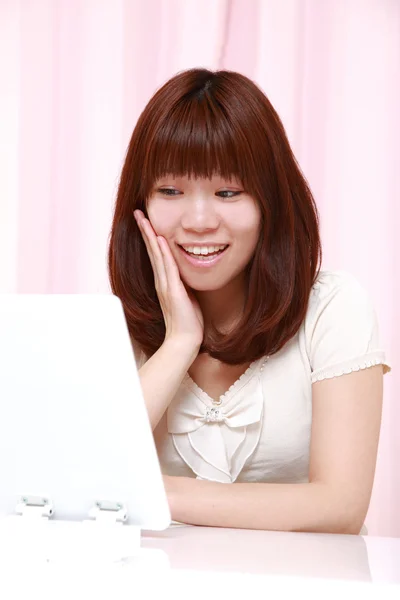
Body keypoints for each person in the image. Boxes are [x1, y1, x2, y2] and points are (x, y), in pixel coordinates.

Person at [108, 68, 391, 534]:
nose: (199, 220)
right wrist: (179, 341)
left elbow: (340, 506)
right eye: (171, 191)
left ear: (269, 204)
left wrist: (151, 492)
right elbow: (85, 476)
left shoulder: (333, 309)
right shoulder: (116, 326)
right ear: (139, 204)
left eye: (227, 192)